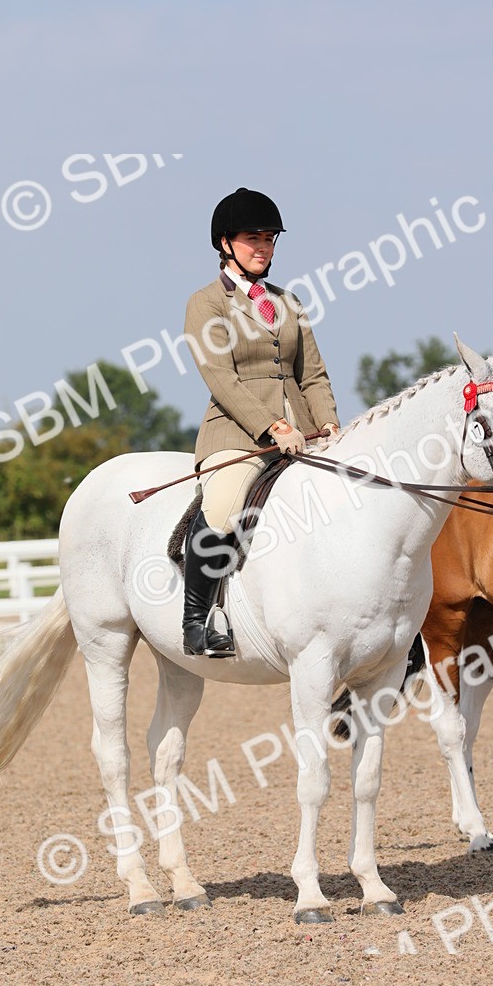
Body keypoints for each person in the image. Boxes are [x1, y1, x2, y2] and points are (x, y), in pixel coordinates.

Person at [181, 187, 340, 657]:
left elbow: (311, 373)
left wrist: (330, 424)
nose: (264, 248)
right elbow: (221, 379)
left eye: (270, 239)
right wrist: (273, 427)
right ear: (225, 243)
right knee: (225, 506)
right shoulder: (206, 303)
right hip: (238, 433)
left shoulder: (288, 302)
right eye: (254, 239)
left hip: (305, 432)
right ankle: (198, 619)